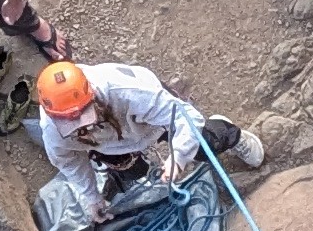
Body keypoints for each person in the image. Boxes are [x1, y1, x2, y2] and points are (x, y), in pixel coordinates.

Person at [30, 57, 242, 213]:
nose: (80, 127)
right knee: (128, 170)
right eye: (71, 124)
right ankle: (131, 176)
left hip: (149, 122)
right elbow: (69, 161)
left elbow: (187, 118)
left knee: (203, 146)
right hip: (108, 143)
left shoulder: (130, 92)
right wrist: (92, 199)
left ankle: (229, 133)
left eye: (83, 117)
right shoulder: (53, 130)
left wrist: (178, 158)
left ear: (92, 96)